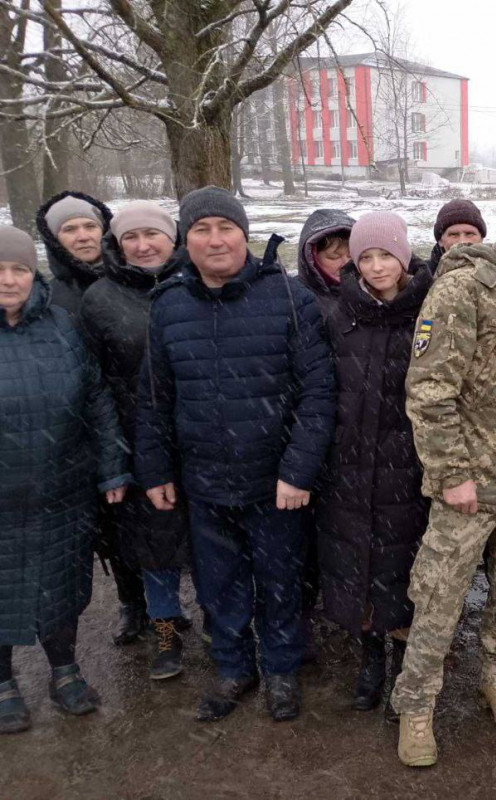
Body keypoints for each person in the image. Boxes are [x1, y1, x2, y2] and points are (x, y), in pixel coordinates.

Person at [136, 187, 335, 724]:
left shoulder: (290, 298)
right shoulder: (170, 305)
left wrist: (297, 470)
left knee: (280, 581)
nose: (215, 239)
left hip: (276, 484)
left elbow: (319, 394)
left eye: (226, 228)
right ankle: (232, 667)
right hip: (203, 481)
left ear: (244, 235)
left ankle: (281, 669)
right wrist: (154, 467)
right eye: (202, 230)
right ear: (187, 240)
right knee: (217, 584)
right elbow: (155, 396)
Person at [392, 190, 496, 767]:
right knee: (439, 601)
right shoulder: (465, 287)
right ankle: (416, 707)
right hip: (467, 488)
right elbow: (429, 391)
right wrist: (452, 475)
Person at [0, 225, 130, 735]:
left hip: (62, 489)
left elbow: (96, 401)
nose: (8, 280)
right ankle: (3, 682)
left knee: (60, 586)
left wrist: (112, 465)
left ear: (34, 275)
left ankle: (64, 670)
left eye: (19, 270)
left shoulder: (61, 327)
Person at [315, 211, 432, 719]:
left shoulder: (429, 311)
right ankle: (370, 661)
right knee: (358, 565)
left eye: (386, 255)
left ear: (404, 257)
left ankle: (405, 659)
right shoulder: (339, 315)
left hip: (410, 465)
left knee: (404, 566)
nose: (377, 266)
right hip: (351, 464)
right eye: (366, 257)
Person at [80, 201, 193, 681]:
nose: (144, 245)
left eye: (154, 234)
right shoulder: (101, 298)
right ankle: (165, 631)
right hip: (137, 438)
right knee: (155, 543)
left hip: (202, 435)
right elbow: (94, 383)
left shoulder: (198, 284)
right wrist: (114, 451)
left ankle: (218, 621)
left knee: (212, 540)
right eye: (132, 237)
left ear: (174, 239)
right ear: (118, 244)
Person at [37, 192, 148, 644]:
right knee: (113, 519)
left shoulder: (133, 276)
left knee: (158, 513)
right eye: (70, 229)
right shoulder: (52, 296)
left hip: (141, 412)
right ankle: (132, 601)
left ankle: (167, 606)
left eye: (89, 225)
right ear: (54, 238)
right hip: (88, 423)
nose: (83, 236)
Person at [295, 208, 355, 663]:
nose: (341, 261)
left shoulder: (367, 298)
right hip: (311, 429)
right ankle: (305, 612)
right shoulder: (298, 301)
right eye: (330, 254)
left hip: (355, 434)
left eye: (347, 251)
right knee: (306, 536)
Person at [427, 199, 486, 274]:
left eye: (469, 234)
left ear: (481, 238)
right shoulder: (424, 276)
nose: (462, 241)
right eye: (454, 235)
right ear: (440, 240)